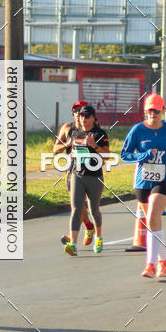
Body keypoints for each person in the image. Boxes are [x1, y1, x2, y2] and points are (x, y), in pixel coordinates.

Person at [121, 94, 166, 278]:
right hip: (143, 181)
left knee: (152, 218)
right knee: (153, 222)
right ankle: (163, 259)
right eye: (149, 111)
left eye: (156, 111)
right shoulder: (138, 130)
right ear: (145, 111)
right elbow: (125, 154)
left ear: (161, 111)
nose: (153, 114)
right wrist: (144, 155)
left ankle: (150, 264)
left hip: (164, 179)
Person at [61, 105, 110, 256]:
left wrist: (94, 145)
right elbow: (73, 150)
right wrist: (71, 156)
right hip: (77, 175)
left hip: (94, 176)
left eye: (87, 116)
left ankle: (98, 238)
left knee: (94, 210)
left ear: (93, 118)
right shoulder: (75, 132)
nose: (83, 119)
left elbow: (107, 156)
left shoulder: (100, 133)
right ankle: (73, 244)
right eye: (81, 116)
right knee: (76, 209)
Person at [54, 101, 96, 246]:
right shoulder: (67, 128)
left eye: (82, 112)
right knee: (76, 205)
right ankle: (89, 226)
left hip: (87, 171)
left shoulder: (91, 129)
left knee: (77, 206)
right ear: (73, 114)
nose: (78, 114)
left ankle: (73, 239)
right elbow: (55, 149)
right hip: (71, 170)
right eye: (76, 111)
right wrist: (67, 145)